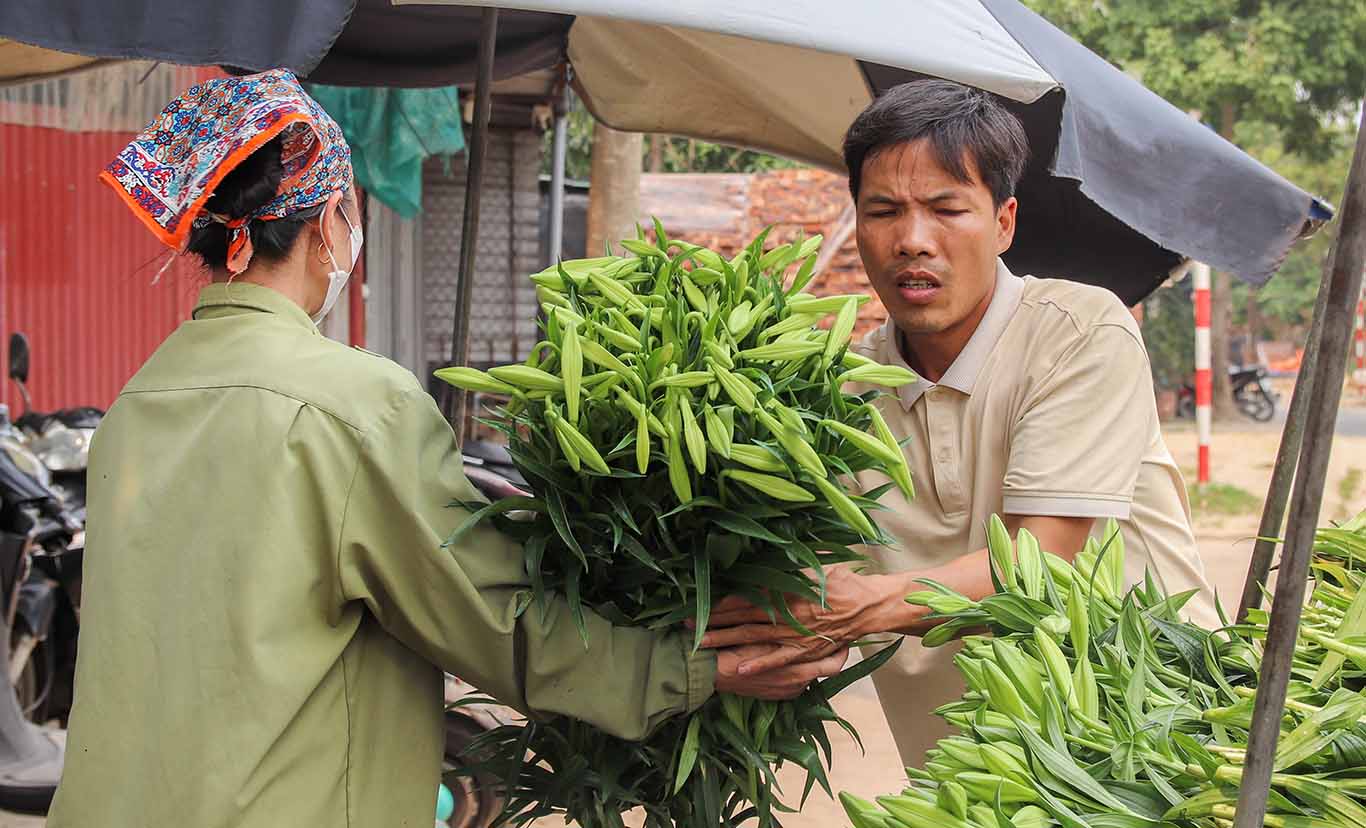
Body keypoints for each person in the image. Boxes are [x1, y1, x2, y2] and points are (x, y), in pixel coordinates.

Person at [48, 70, 847, 828]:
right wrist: (692, 668)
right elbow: (493, 620)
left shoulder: (132, 406)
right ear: (330, 220)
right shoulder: (356, 404)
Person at [698, 79, 1218, 768]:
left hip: (1148, 758)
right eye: (883, 210)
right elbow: (816, 590)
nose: (913, 240)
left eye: (947, 208)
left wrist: (857, 608)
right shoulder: (837, 395)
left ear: (1004, 221)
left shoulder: (1080, 333)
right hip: (970, 780)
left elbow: (1040, 564)